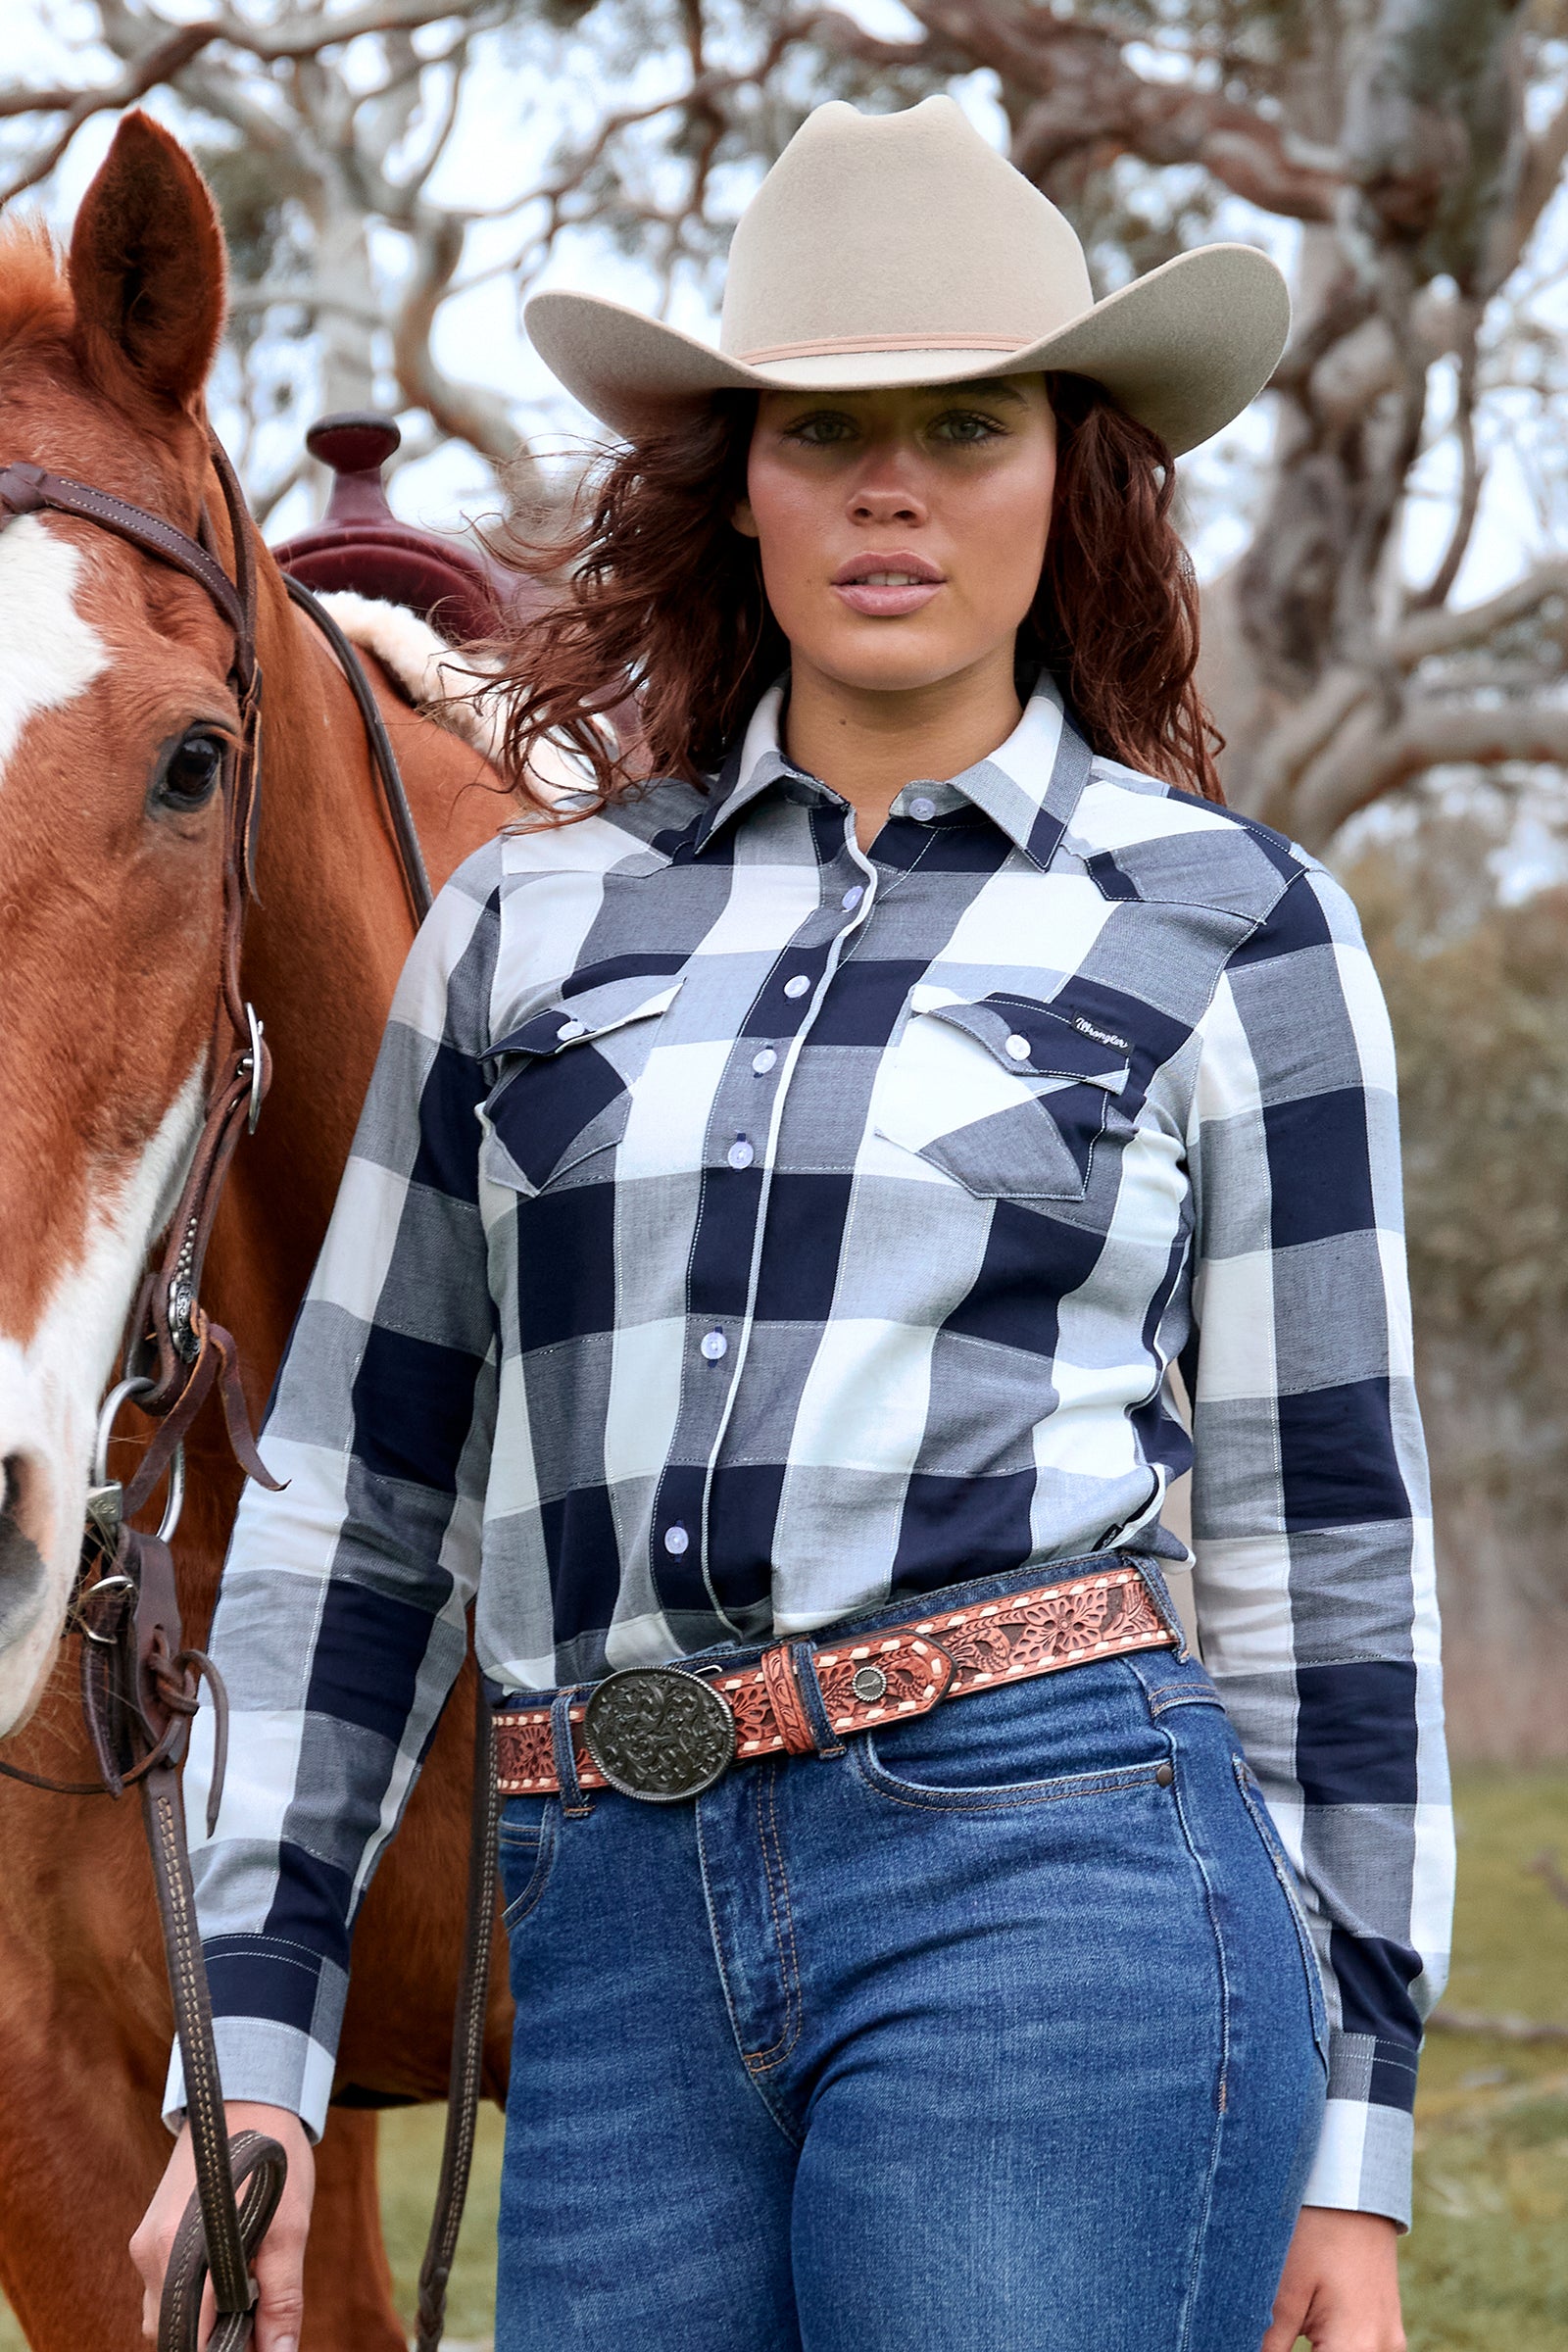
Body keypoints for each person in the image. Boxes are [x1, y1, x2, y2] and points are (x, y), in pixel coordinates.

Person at [134, 94, 1451, 2352]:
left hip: (1053, 1887)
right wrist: (249, 2044)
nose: (891, 485)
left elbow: (1323, 1547)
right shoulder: (529, 933)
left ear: (1075, 472)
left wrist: (1355, 2148)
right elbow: (349, 1515)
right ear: (734, 475)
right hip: (611, 1921)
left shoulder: (1228, 926)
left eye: (967, 420)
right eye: (824, 423)